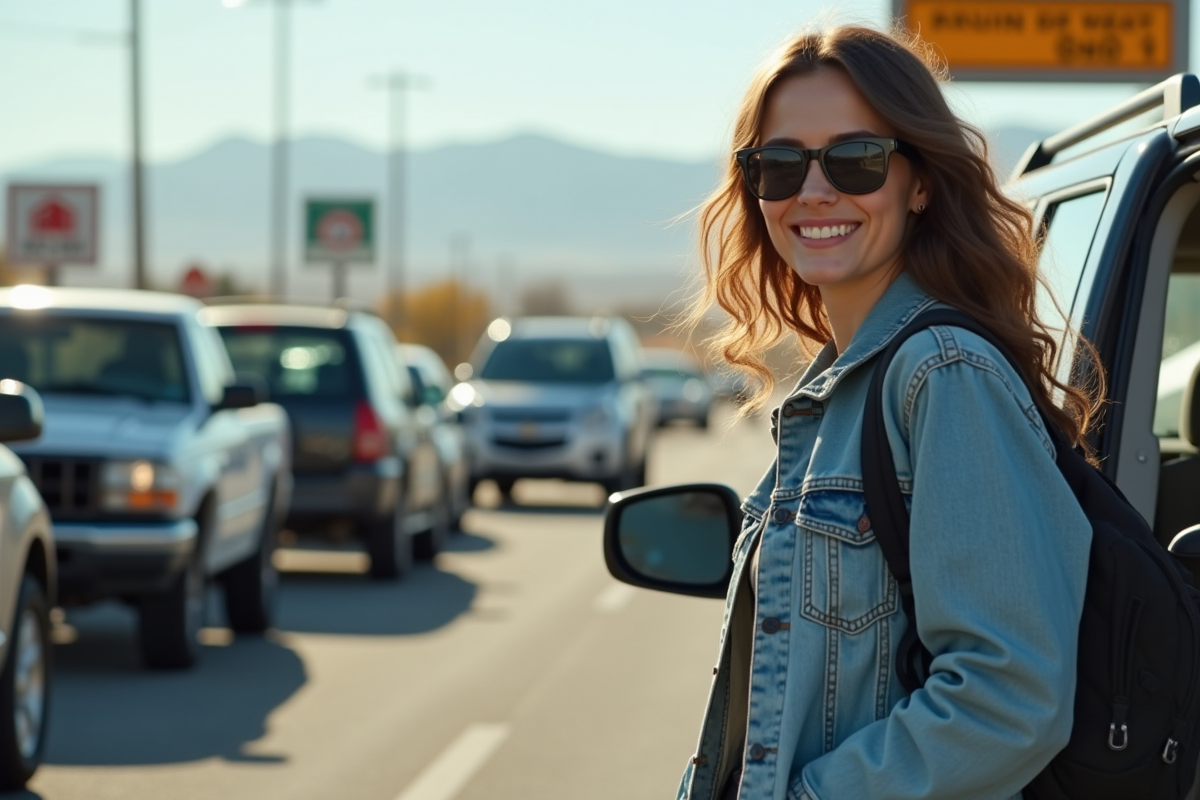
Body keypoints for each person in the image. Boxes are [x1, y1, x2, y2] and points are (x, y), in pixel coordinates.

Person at [680, 23, 1101, 800]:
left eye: (856, 159)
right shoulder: (841, 389)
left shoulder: (942, 375)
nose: (813, 190)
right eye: (779, 165)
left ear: (920, 181)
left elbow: (1010, 698)